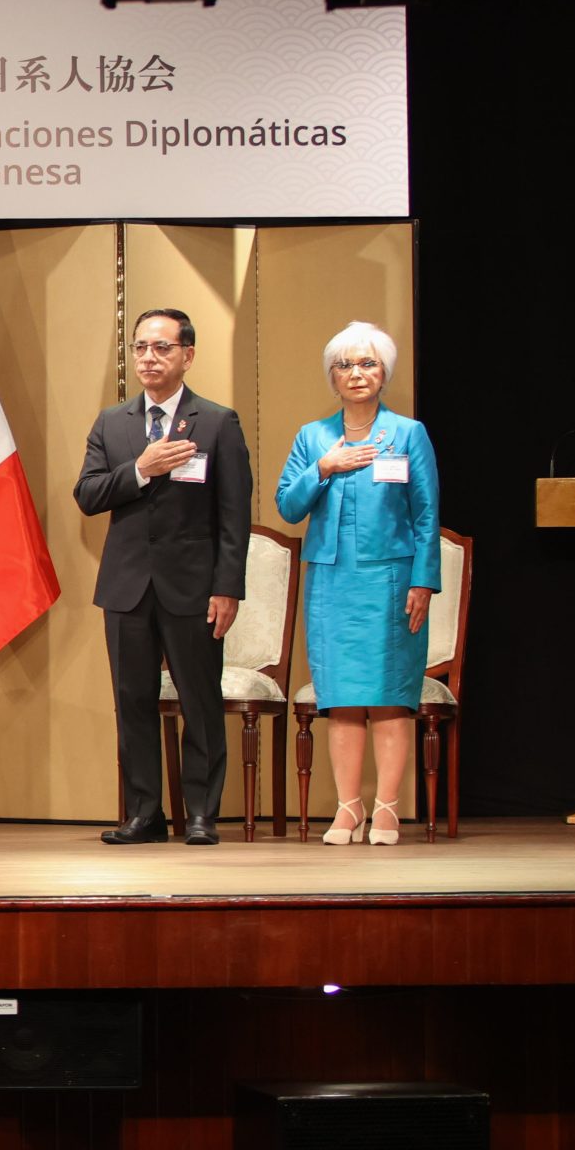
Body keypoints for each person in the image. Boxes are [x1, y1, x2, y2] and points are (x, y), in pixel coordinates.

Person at [74, 308, 253, 846]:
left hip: (194, 587)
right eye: (141, 348)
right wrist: (140, 469)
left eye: (162, 348)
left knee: (200, 701)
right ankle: (144, 814)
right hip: (126, 586)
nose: (149, 358)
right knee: (132, 702)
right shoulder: (112, 423)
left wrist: (227, 588)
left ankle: (200, 814)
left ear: (187, 355)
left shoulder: (217, 422)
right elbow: (88, 495)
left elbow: (234, 516)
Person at [275, 322, 440, 847]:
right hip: (331, 582)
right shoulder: (313, 437)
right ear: (332, 377)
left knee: (389, 697)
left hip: (392, 580)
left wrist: (423, 581)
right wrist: (324, 467)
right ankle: (349, 808)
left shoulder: (408, 434)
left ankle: (387, 807)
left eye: (367, 363)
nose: (356, 374)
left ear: (384, 372)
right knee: (342, 699)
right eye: (344, 365)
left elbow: (426, 515)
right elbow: (288, 506)